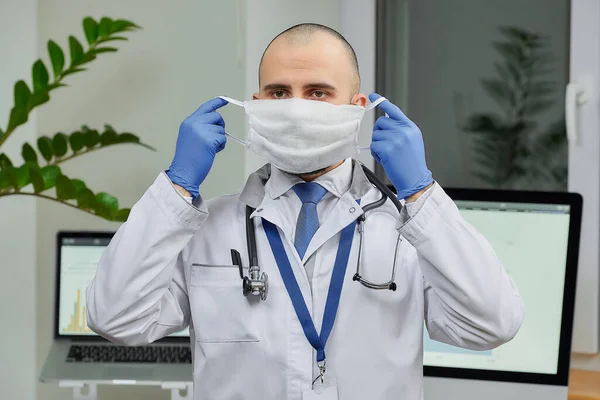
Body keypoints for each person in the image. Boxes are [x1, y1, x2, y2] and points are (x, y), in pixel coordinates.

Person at [87, 23, 524, 400]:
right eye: (279, 93)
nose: (296, 109)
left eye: (318, 93)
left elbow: (492, 324)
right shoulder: (210, 228)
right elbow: (116, 318)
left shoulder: (407, 229)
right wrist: (175, 187)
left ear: (357, 110)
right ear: (257, 106)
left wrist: (422, 194)